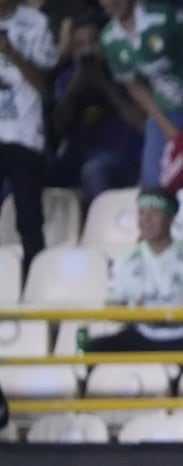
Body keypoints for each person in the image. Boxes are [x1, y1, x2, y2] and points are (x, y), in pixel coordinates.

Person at [99, 0, 183, 188]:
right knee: (152, 183)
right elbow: (134, 85)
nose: (111, 2)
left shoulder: (164, 16)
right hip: (163, 111)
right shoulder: (109, 38)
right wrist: (166, 126)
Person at [87, 189, 183, 353]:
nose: (146, 219)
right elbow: (112, 307)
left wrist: (161, 316)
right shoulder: (126, 259)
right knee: (96, 348)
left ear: (170, 218)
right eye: (142, 213)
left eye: (154, 213)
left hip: (181, 337)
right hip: (141, 334)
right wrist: (140, 316)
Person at [49, 12, 144, 210]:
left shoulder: (123, 69)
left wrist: (104, 84)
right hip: (76, 154)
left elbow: (142, 122)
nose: (87, 49)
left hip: (121, 154)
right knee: (25, 171)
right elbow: (58, 127)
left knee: (94, 171)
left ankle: (99, 235)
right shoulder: (67, 78)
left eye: (93, 41)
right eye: (80, 45)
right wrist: (75, 87)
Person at [0, 0, 58, 279]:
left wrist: (13, 54)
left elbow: (43, 85)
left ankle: (36, 284)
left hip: (23, 134)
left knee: (28, 219)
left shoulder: (36, 23)